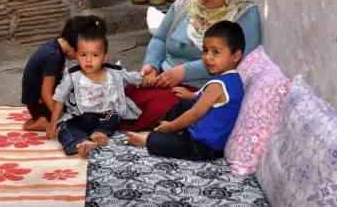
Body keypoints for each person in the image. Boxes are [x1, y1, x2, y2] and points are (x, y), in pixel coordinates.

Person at [122, 0, 260, 131]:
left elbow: (235, 61)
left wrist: (184, 72)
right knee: (118, 97)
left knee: (157, 111)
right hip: (163, 78)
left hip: (199, 89)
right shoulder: (185, 3)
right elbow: (160, 39)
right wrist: (152, 65)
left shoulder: (244, 13)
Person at [126, 21, 245, 160]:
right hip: (206, 132)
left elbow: (195, 114)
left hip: (203, 146)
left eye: (215, 52)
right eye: (205, 51)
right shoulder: (233, 78)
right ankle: (164, 129)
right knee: (183, 103)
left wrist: (170, 127)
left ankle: (150, 139)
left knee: (174, 143)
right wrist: (191, 95)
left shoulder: (217, 85)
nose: (207, 57)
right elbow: (210, 98)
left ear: (235, 56)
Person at [46, 29, 143, 158]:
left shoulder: (113, 73)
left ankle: (98, 135)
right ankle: (81, 143)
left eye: (95, 55)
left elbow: (132, 77)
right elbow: (59, 97)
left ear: (105, 57)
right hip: (79, 117)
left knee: (113, 115)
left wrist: (146, 78)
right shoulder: (72, 76)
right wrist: (53, 122)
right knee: (63, 126)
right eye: (83, 55)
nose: (88, 60)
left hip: (103, 116)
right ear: (76, 55)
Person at [20, 15, 105, 131]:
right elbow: (46, 93)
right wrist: (60, 117)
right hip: (40, 106)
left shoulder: (55, 46)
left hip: (43, 102)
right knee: (79, 115)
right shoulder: (53, 57)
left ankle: (43, 118)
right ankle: (39, 122)